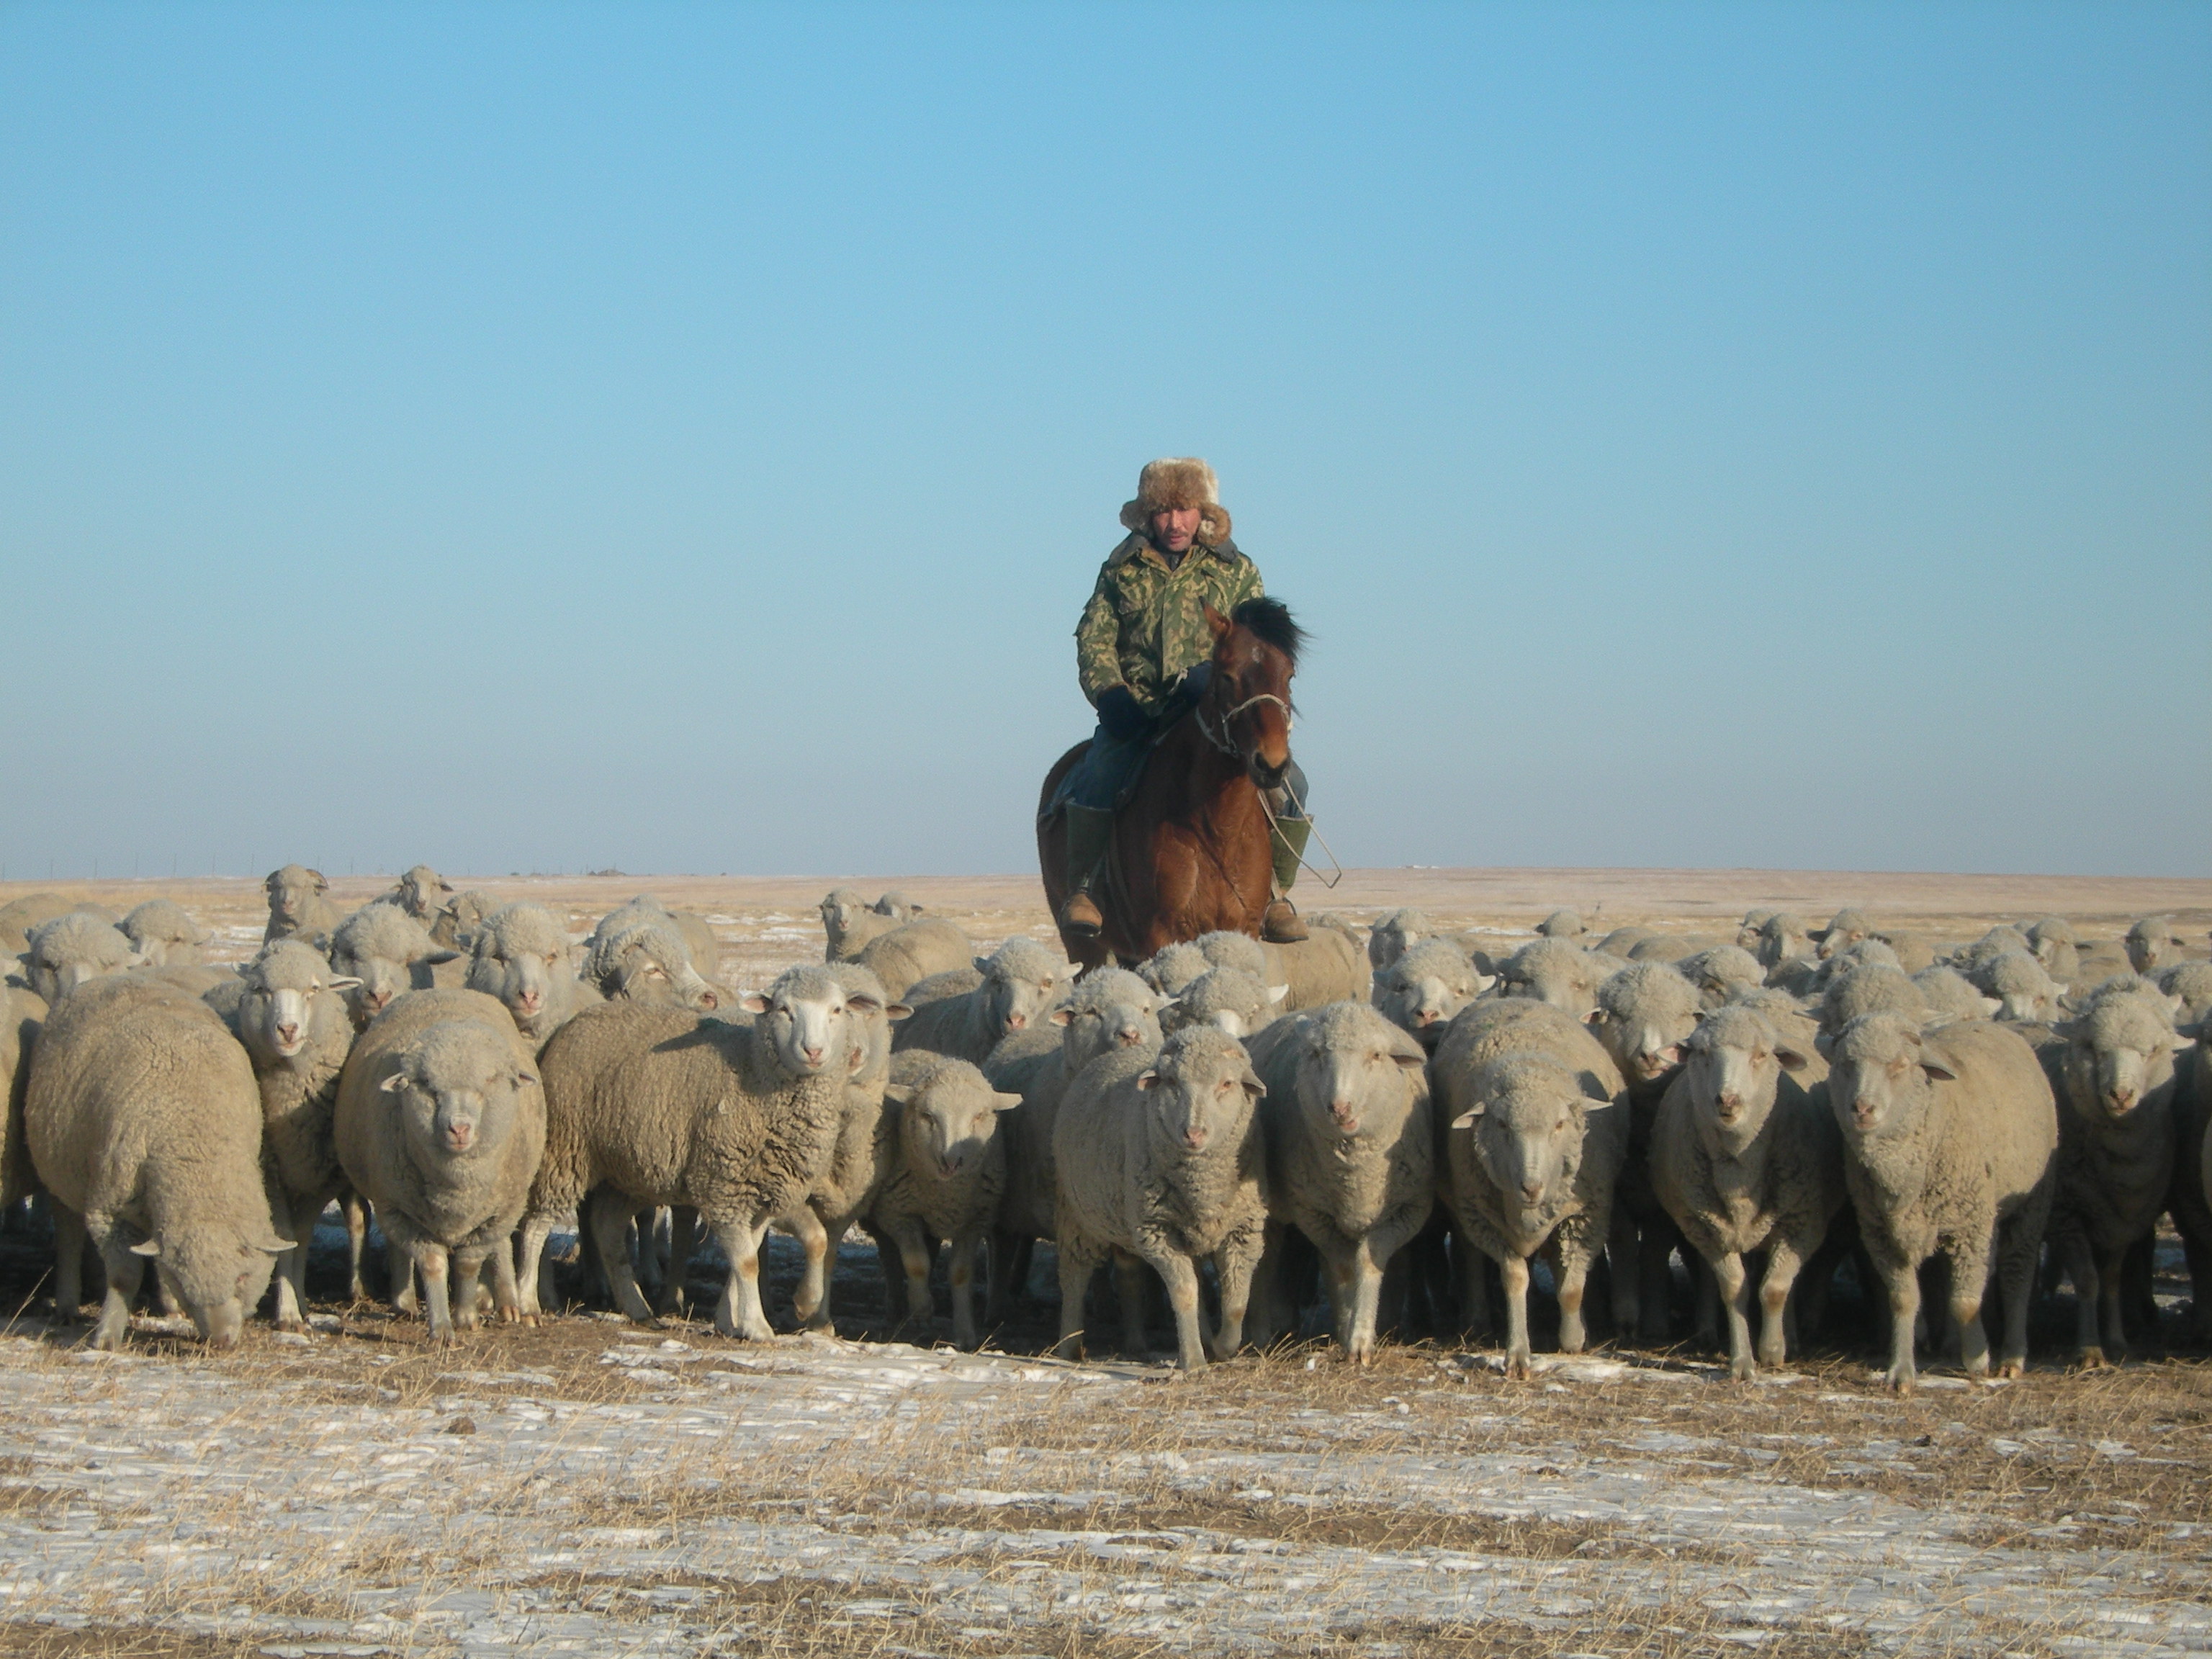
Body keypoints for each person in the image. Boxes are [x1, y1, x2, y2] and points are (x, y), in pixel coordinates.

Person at [1054, 457, 1312, 944]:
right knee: (1098, 775)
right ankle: (1085, 890)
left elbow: (1256, 647)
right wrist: (1110, 694)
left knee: (1292, 783)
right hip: (1139, 709)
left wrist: (1217, 679)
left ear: (1204, 513)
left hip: (1215, 706)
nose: (1174, 523)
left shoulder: (1236, 570)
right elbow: (1094, 638)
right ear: (1146, 516)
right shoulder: (1119, 570)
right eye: (1163, 511)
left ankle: (1276, 895)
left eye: (1186, 510)